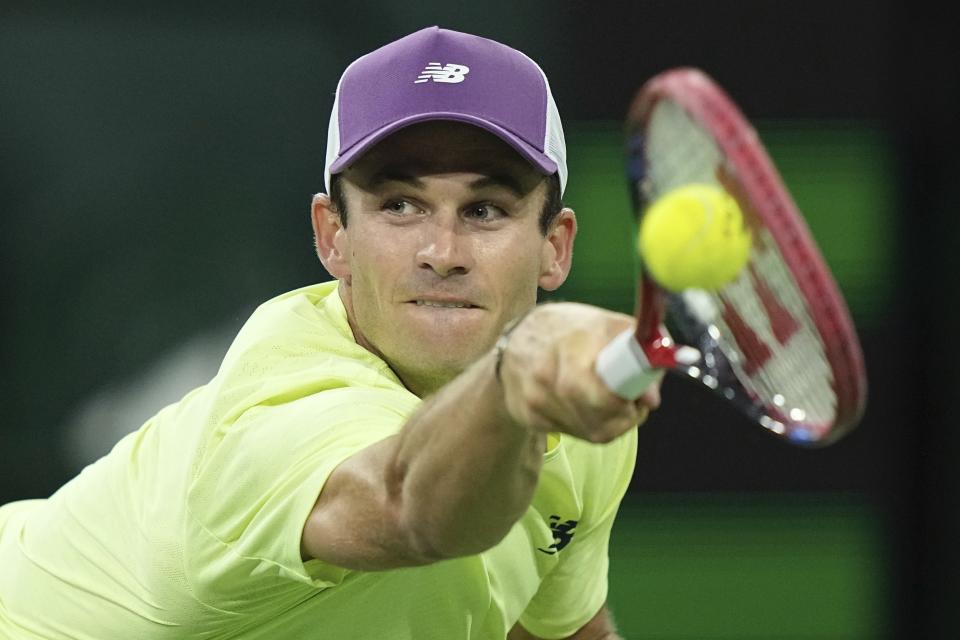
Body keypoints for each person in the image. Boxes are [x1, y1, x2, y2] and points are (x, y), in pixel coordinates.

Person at [0, 26, 659, 639]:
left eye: (485, 210)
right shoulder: (283, 407)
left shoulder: (578, 421)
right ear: (332, 237)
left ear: (556, 248)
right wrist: (515, 377)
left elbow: (553, 628)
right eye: (399, 205)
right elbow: (413, 508)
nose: (442, 249)